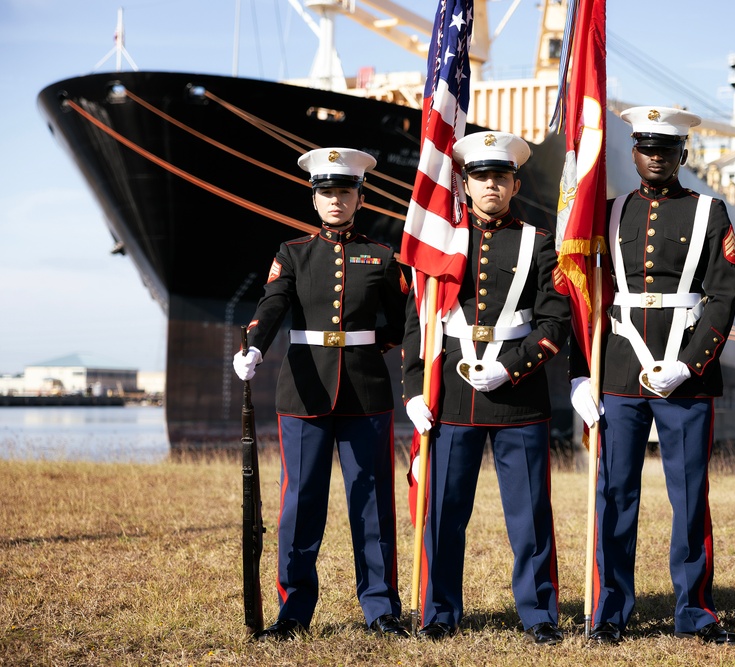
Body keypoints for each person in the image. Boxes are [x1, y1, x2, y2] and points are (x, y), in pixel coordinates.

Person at [569, 107, 735, 645]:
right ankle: (610, 612)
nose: (656, 158)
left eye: (667, 150)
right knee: (614, 493)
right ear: (635, 152)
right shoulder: (606, 212)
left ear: (682, 155)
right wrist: (581, 373)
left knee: (689, 497)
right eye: (647, 148)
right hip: (619, 371)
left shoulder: (710, 212)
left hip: (686, 375)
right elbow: (584, 294)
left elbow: (723, 296)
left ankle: (695, 611)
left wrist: (690, 363)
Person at [232, 147, 410, 640]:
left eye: (344, 192)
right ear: (314, 200)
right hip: (305, 393)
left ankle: (381, 609)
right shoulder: (293, 254)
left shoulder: (382, 256)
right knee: (301, 502)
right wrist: (255, 346)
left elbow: (400, 324)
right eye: (326, 192)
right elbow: (272, 306)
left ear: (360, 198)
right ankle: (293, 612)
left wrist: (374, 352)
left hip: (365, 394)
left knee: (371, 503)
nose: (336, 200)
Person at [402, 131, 571, 645]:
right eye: (481, 177)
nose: (491, 185)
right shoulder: (442, 242)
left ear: (515, 184)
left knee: (530, 515)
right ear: (465, 184)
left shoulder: (540, 243)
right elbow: (421, 322)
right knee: (444, 512)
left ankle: (539, 613)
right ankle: (439, 612)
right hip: (450, 393)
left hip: (518, 395)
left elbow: (555, 321)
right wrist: (413, 390)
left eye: (500, 177)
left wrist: (512, 367)